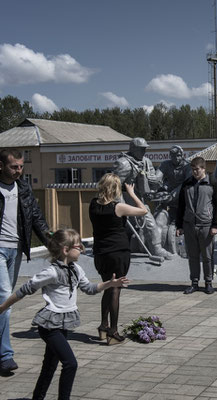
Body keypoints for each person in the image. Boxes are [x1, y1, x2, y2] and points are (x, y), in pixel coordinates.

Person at [0, 229, 129, 399]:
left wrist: (110, 284)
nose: (82, 249)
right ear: (66, 250)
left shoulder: (76, 269)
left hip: (63, 324)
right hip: (49, 326)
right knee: (70, 364)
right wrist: (2, 308)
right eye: (79, 246)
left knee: (49, 366)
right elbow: (24, 290)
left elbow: (89, 289)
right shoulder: (51, 272)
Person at [0, 149, 50, 375]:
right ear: (1, 166)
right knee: (5, 300)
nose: (19, 171)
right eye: (14, 167)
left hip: (16, 250)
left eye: (21, 167)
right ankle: (5, 356)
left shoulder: (24, 188)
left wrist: (54, 245)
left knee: (4, 301)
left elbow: (36, 218)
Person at [89, 173, 147, 344]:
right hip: (118, 252)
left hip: (100, 253)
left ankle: (103, 326)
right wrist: (132, 193)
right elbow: (143, 210)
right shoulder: (118, 207)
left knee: (107, 286)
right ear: (115, 189)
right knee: (115, 290)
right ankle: (113, 332)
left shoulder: (92, 204)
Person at [113, 137, 173, 259]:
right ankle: (156, 249)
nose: (144, 152)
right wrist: (121, 205)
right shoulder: (123, 163)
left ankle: (156, 248)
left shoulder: (146, 162)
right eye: (141, 149)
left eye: (145, 149)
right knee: (147, 223)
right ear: (133, 149)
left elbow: (154, 181)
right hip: (126, 198)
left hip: (140, 198)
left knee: (148, 223)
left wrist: (154, 183)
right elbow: (114, 185)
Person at [176, 157, 217, 294]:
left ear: (204, 169)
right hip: (189, 225)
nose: (195, 172)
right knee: (193, 256)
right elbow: (181, 206)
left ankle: (208, 282)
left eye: (197, 169)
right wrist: (179, 225)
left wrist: (216, 225)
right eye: (193, 169)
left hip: (206, 226)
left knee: (207, 256)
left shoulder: (213, 183)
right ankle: (194, 282)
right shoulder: (187, 184)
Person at [153, 145, 192, 254]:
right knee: (160, 212)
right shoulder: (166, 164)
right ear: (170, 156)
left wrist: (174, 194)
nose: (176, 158)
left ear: (182, 155)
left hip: (182, 195)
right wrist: (156, 184)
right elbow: (158, 177)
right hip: (167, 194)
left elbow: (187, 182)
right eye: (173, 156)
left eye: (178, 156)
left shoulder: (187, 166)